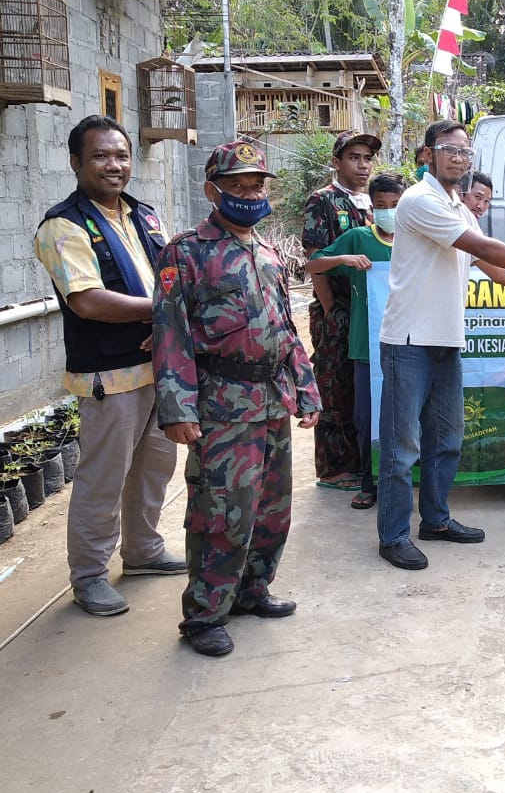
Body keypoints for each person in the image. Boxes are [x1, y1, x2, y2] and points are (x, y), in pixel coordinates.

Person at [375, 120, 505, 570]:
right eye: (448, 149)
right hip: (408, 340)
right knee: (402, 447)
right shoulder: (419, 200)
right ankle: (392, 537)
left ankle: (436, 521)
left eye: (465, 152)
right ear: (427, 154)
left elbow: (495, 269)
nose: (458, 158)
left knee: (447, 439)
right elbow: (485, 248)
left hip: (446, 339)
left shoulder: (460, 208)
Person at [153, 140, 321, 657]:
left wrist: (306, 387)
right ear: (212, 191)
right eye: (237, 186)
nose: (249, 194)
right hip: (222, 405)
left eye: (256, 185)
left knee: (271, 507)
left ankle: (253, 589)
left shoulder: (268, 252)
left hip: (271, 399)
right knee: (222, 511)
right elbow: (170, 334)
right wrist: (177, 409)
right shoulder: (186, 252)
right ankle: (204, 615)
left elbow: (285, 328)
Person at [33, 115, 183, 618]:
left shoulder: (144, 215)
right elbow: (88, 301)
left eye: (121, 155)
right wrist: (162, 312)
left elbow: (169, 276)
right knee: (103, 479)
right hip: (109, 377)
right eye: (100, 156)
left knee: (154, 469)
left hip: (157, 367)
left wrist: (166, 320)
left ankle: (142, 552)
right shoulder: (64, 225)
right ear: (76, 162)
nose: (113, 165)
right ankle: (89, 576)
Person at [304, 172, 405, 511]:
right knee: (367, 418)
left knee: (407, 416)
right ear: (372, 208)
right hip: (366, 347)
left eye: (395, 205)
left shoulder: (415, 239)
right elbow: (313, 264)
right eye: (382, 206)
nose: (389, 211)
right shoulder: (358, 238)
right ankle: (368, 480)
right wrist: (342, 259)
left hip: (409, 343)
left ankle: (404, 479)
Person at [301, 129, 380, 492]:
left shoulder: (374, 202)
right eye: (354, 158)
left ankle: (364, 461)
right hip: (339, 308)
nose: (362, 165)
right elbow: (315, 259)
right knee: (334, 386)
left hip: (370, 309)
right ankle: (334, 468)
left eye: (367, 158)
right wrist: (331, 309)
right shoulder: (323, 201)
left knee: (361, 386)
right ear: (337, 162)